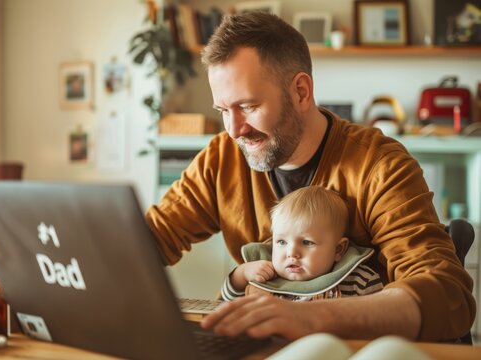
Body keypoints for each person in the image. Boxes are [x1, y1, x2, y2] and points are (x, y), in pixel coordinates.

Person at [144, 12, 475, 342]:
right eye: (223, 111)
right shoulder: (221, 159)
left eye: (247, 106)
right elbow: (151, 239)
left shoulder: (379, 165)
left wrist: (314, 316)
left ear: (301, 91)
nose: (233, 130)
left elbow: (447, 296)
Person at [221, 186, 383, 302]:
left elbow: (378, 323)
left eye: (306, 242)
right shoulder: (263, 277)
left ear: (338, 249)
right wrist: (241, 275)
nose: (291, 252)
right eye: (282, 242)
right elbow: (225, 305)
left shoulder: (359, 282)